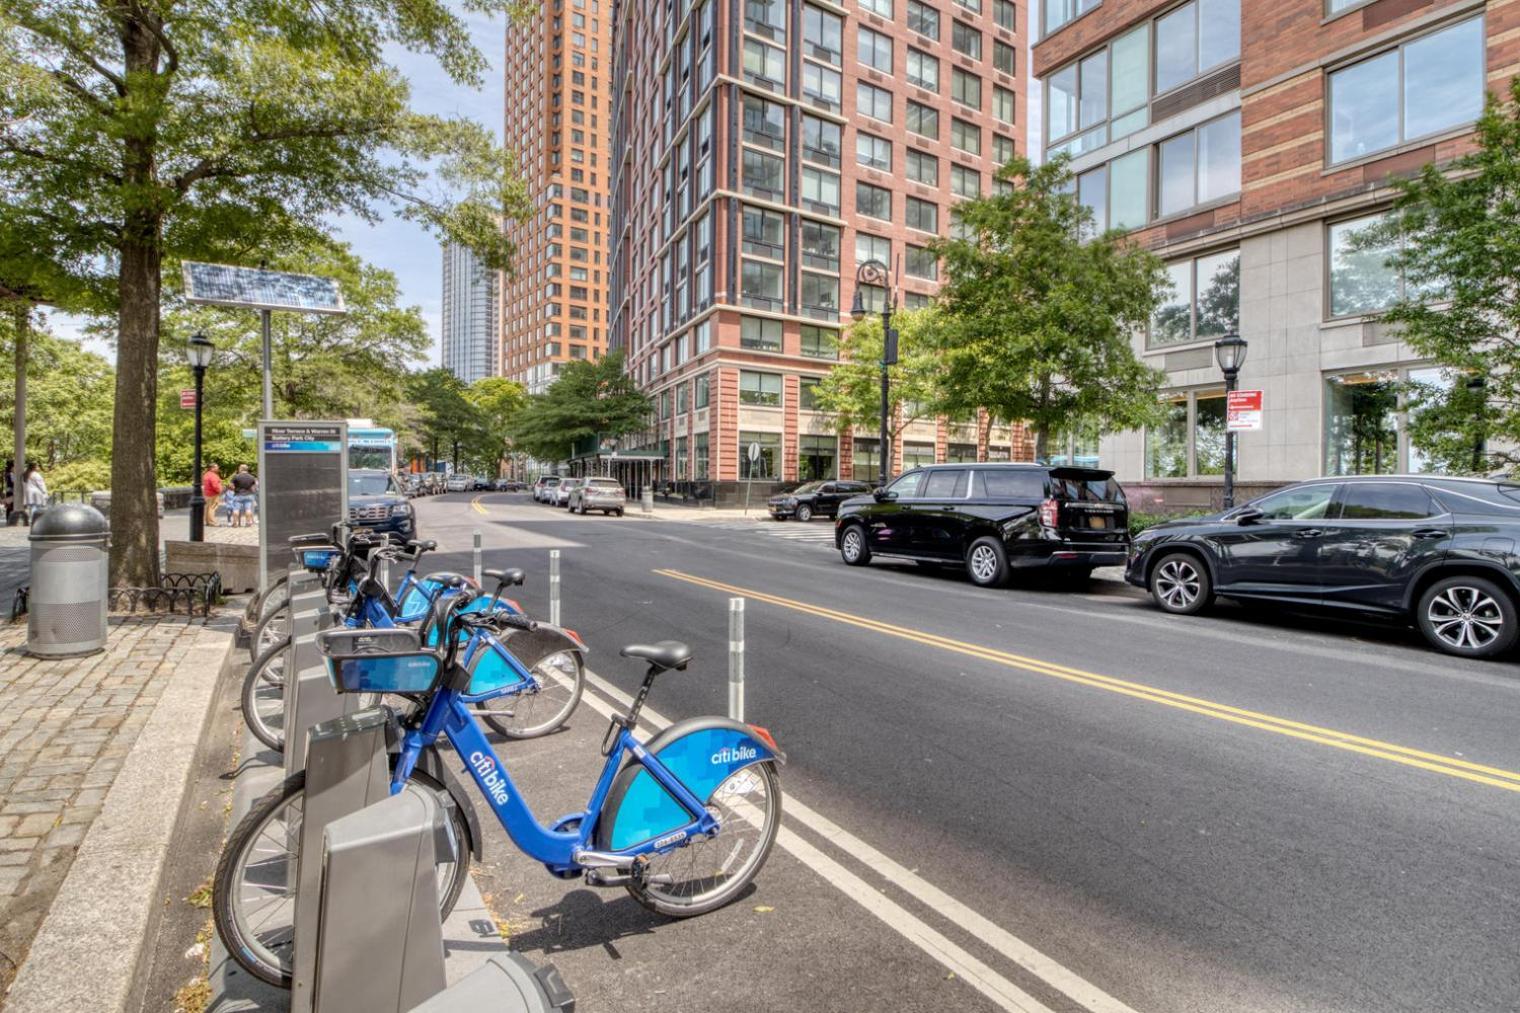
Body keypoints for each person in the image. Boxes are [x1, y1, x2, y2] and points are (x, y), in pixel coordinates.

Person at [202, 463, 223, 528]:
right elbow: (215, 485)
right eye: (216, 467)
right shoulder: (213, 476)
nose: (218, 468)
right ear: (212, 468)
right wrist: (219, 491)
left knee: (207, 508)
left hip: (207, 493)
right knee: (212, 508)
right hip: (213, 494)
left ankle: (207, 521)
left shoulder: (206, 475)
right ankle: (212, 522)